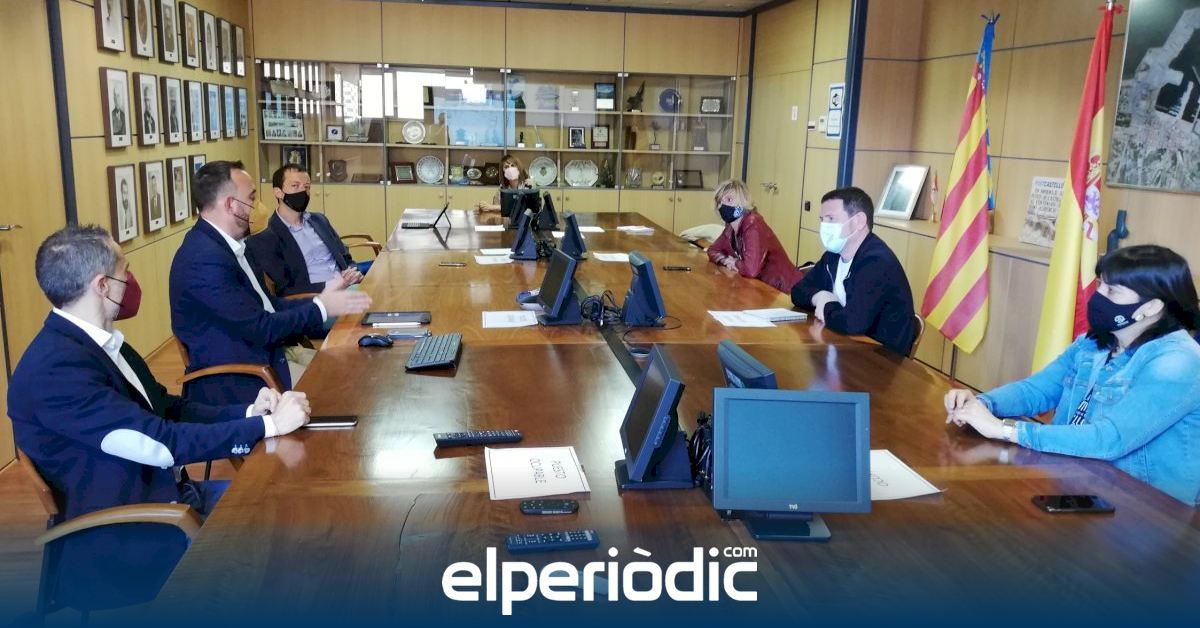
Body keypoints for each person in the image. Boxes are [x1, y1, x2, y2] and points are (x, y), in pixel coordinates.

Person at [9, 225, 312, 607]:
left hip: (168, 496)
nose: (132, 280)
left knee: (289, 512)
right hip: (131, 533)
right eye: (126, 270)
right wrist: (267, 426)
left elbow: (166, 408)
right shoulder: (56, 371)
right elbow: (161, 444)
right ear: (102, 285)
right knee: (285, 549)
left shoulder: (96, 342)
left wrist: (251, 411)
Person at [945, 245, 1200, 505]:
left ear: (1151, 307)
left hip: (1143, 508)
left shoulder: (1178, 362)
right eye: (1100, 284)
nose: (1098, 295)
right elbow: (1037, 390)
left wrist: (1004, 429)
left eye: (1112, 291)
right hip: (1072, 479)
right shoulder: (1095, 342)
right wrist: (981, 404)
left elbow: (1110, 438)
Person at [169, 161, 372, 405]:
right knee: (349, 388)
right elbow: (263, 328)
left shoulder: (232, 246)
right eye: (252, 198)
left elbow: (269, 304)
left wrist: (321, 299)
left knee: (358, 370)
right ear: (231, 205)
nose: (258, 206)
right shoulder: (203, 260)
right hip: (247, 381)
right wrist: (321, 308)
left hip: (273, 356)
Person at [791, 186, 916, 355]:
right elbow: (797, 292)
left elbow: (852, 323)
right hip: (842, 348)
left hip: (878, 359)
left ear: (858, 221)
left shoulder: (876, 262)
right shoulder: (833, 255)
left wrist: (826, 305)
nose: (824, 226)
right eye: (822, 219)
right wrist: (820, 296)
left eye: (831, 219)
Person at [248, 164, 366, 298]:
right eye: (295, 186)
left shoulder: (319, 220)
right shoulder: (267, 238)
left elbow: (346, 257)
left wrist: (354, 272)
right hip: (318, 299)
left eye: (307, 187)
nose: (303, 191)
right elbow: (287, 287)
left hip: (350, 286)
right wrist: (337, 284)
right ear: (278, 192)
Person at [705, 179, 805, 293]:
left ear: (743, 201)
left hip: (787, 291)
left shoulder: (753, 223)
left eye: (729, 199)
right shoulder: (730, 227)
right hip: (762, 287)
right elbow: (713, 250)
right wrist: (725, 260)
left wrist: (735, 262)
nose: (723, 205)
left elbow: (751, 269)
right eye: (719, 202)